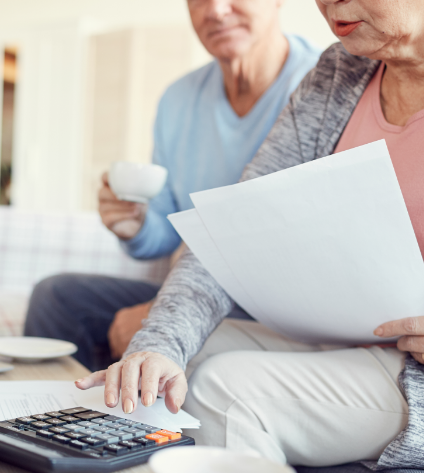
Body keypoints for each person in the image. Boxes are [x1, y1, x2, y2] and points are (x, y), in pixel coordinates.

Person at [76, 0, 424, 473]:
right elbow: (233, 228)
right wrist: (160, 344)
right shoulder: (338, 69)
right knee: (184, 356)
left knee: (226, 391)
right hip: (361, 337)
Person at [24, 0, 321, 372]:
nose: (215, 10)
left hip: (281, 304)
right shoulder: (179, 99)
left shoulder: (322, 86)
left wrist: (157, 315)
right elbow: (164, 229)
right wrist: (136, 224)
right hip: (197, 288)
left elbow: (301, 248)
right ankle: (54, 424)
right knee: (58, 297)